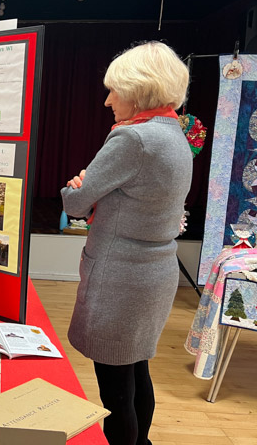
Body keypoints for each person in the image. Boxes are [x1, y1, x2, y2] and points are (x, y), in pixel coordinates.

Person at [60, 41, 192, 445]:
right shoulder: (174, 133)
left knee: (116, 391)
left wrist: (76, 186)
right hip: (154, 273)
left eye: (114, 90)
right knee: (136, 372)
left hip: (120, 277)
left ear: (137, 91)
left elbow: (78, 206)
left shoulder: (132, 140)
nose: (106, 100)